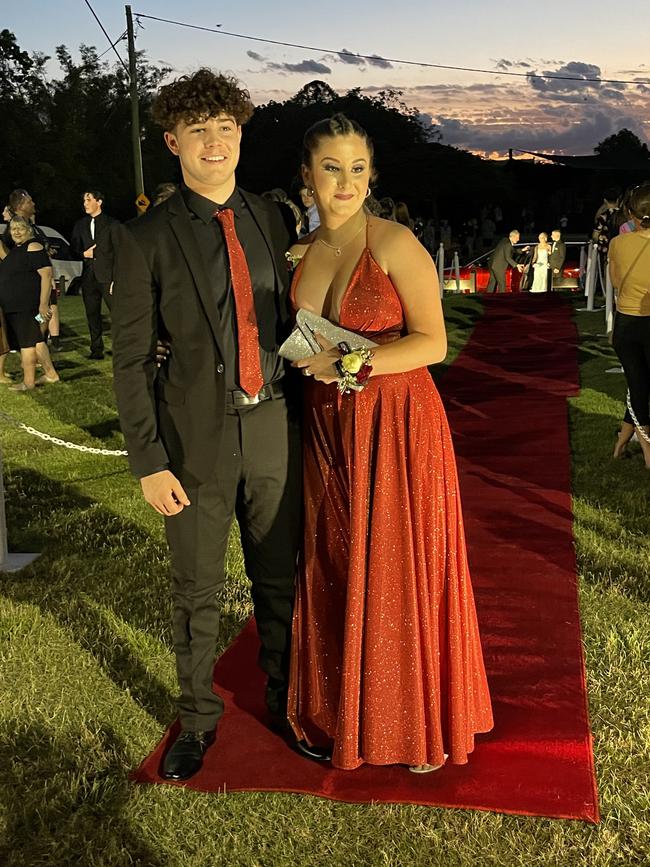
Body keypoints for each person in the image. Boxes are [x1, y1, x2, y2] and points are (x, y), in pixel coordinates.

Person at [111, 68, 329, 782]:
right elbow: (132, 358)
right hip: (193, 442)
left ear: (241, 134)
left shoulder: (271, 217)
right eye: (199, 131)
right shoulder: (144, 238)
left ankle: (285, 702)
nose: (214, 143)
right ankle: (198, 719)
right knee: (196, 589)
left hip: (273, 427)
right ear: (173, 140)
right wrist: (148, 460)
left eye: (226, 128)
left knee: (278, 578)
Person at [286, 114, 493, 772]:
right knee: (342, 558)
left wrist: (350, 363)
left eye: (356, 169)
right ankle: (347, 708)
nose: (343, 182)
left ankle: (413, 724)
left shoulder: (396, 242)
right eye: (329, 168)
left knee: (397, 566)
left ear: (371, 176)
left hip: (396, 424)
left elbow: (433, 342)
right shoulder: (303, 250)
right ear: (307, 176)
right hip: (328, 424)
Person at [608, 183, 650, 467]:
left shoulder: (617, 243)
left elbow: (614, 283)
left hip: (626, 323)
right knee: (640, 387)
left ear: (631, 213)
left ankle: (622, 443)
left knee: (639, 385)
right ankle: (648, 451)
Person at [0, 217, 59, 391]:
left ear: (29, 229)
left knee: (28, 344)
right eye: (13, 229)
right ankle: (42, 377)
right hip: (14, 307)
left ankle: (28, 382)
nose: (16, 231)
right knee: (30, 342)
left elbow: (47, 276)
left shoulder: (33, 246)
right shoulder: (18, 249)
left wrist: (43, 305)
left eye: (20, 228)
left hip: (27, 306)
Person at [2, 189, 61, 350]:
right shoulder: (14, 231)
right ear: (20, 205)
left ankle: (40, 348)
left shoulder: (33, 227)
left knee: (44, 316)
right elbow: (10, 259)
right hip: (26, 290)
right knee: (36, 320)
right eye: (29, 201)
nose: (33, 204)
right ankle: (34, 350)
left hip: (40, 282)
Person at [70, 190, 117, 359]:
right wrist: (84, 254)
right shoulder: (80, 225)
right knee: (92, 313)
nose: (85, 203)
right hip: (89, 276)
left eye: (88, 200)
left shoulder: (112, 224)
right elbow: (73, 249)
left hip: (108, 276)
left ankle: (121, 347)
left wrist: (115, 277)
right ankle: (96, 349)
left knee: (117, 313)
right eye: (83, 200)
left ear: (99, 201)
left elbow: (118, 249)